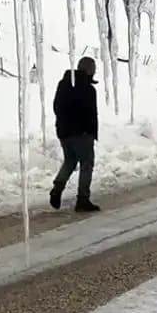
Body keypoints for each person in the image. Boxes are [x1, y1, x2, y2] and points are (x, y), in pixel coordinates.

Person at [50, 56, 100, 212]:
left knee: (70, 160)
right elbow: (91, 114)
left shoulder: (63, 84)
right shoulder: (88, 89)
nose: (95, 71)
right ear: (89, 70)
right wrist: (90, 132)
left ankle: (58, 187)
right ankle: (83, 199)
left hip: (64, 132)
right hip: (82, 134)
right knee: (86, 163)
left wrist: (63, 125)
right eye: (93, 68)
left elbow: (56, 106)